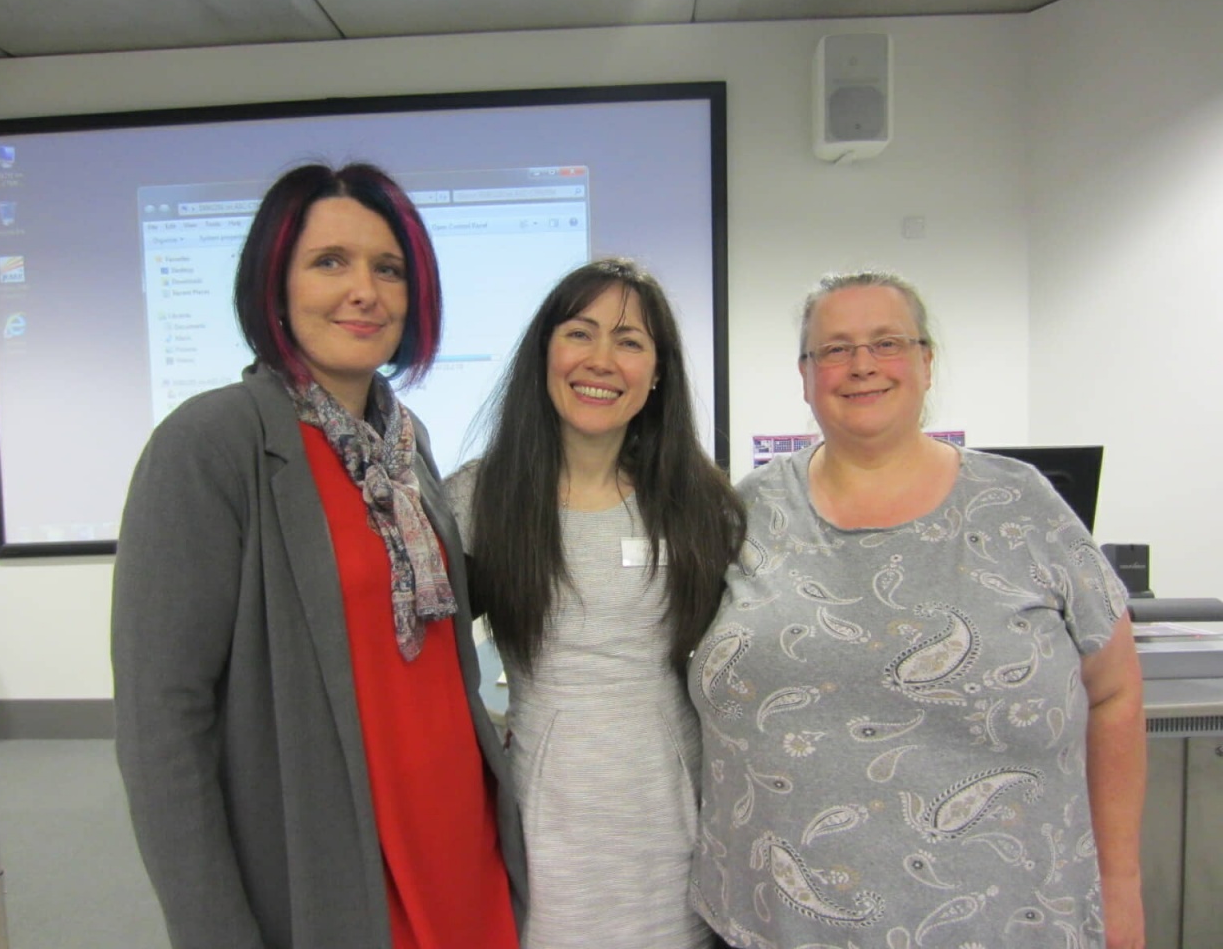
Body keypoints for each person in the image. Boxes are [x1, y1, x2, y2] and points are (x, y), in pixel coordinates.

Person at [111, 162, 526, 949]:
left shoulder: (409, 446)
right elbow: (161, 726)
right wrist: (213, 930)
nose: (364, 291)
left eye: (389, 268)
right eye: (329, 262)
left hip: (459, 839)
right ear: (275, 282)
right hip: (340, 855)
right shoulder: (212, 444)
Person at [690, 271, 1146, 949]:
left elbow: (1115, 692)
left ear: (927, 363)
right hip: (769, 925)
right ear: (806, 374)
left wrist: (1121, 888)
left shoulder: (1020, 506)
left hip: (1010, 922)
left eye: (887, 342)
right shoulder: (746, 512)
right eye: (836, 349)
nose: (863, 365)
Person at [446, 258, 746, 949]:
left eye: (631, 341)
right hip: (546, 821)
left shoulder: (702, 506)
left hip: (672, 817)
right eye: (581, 333)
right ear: (545, 352)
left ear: (658, 371)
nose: (602, 360)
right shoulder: (478, 500)